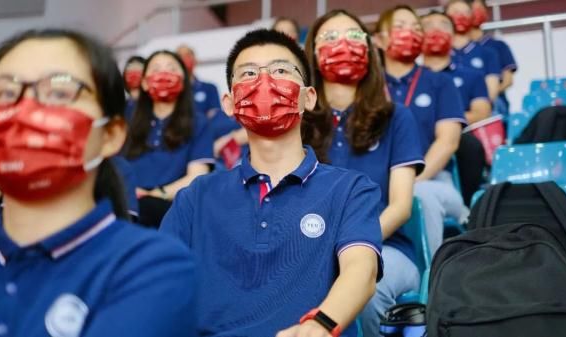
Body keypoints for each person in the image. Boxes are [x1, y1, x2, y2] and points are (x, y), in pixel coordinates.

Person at [160, 29, 382, 337]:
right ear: (229, 103)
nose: (265, 82)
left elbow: (362, 270)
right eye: (248, 73)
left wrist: (320, 324)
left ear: (309, 97)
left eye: (280, 70)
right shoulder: (195, 196)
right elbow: (159, 282)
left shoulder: (351, 190)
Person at [0, 29, 199, 337]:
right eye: (5, 92)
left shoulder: (153, 267)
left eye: (59, 92)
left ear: (111, 135)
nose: (27, 110)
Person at [301, 9, 424, 337]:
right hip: (307, 249)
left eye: (354, 36)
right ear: (312, 53)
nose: (343, 44)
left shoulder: (397, 117)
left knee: (363, 292)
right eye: (330, 37)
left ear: (370, 50)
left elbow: (400, 206)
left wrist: (350, 247)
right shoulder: (297, 122)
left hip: (387, 248)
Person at [376, 5, 467, 255]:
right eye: (401, 27)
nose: (411, 32)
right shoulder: (368, 88)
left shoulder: (440, 82)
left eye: (416, 28)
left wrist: (409, 181)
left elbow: (448, 142)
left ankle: (430, 282)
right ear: (379, 39)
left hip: (433, 181)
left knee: (421, 196)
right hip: (377, 182)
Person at [124, 50, 214, 228]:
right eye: (156, 69)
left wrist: (158, 193)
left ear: (183, 80)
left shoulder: (198, 122)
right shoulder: (127, 120)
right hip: (128, 202)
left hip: (170, 203)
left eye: (171, 68)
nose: (163, 74)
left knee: (145, 208)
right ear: (144, 83)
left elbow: (196, 176)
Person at [421, 10, 491, 205]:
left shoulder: (472, 75)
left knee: (469, 145)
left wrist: (444, 123)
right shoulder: (409, 80)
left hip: (460, 136)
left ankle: (468, 207)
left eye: (443, 25)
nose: (435, 31)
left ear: (453, 35)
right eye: (428, 26)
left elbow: (481, 112)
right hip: (415, 138)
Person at [445, 0, 501, 102]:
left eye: (465, 12)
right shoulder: (440, 56)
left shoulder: (488, 53)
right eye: (455, 12)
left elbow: (491, 94)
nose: (460, 16)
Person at [469, 0, 518, 115]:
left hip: (495, 101)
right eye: (472, 9)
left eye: (479, 9)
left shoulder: (498, 46)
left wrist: (485, 97)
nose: (476, 13)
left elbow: (508, 80)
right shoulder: (457, 50)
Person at [176, 44, 222, 116]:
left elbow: (215, 115)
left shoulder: (210, 88)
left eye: (188, 55)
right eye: (180, 56)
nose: (184, 59)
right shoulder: (171, 91)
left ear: (195, 60)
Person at [122, 55, 145, 121]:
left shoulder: (153, 105)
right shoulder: (121, 106)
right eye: (130, 69)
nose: (134, 73)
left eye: (138, 69)